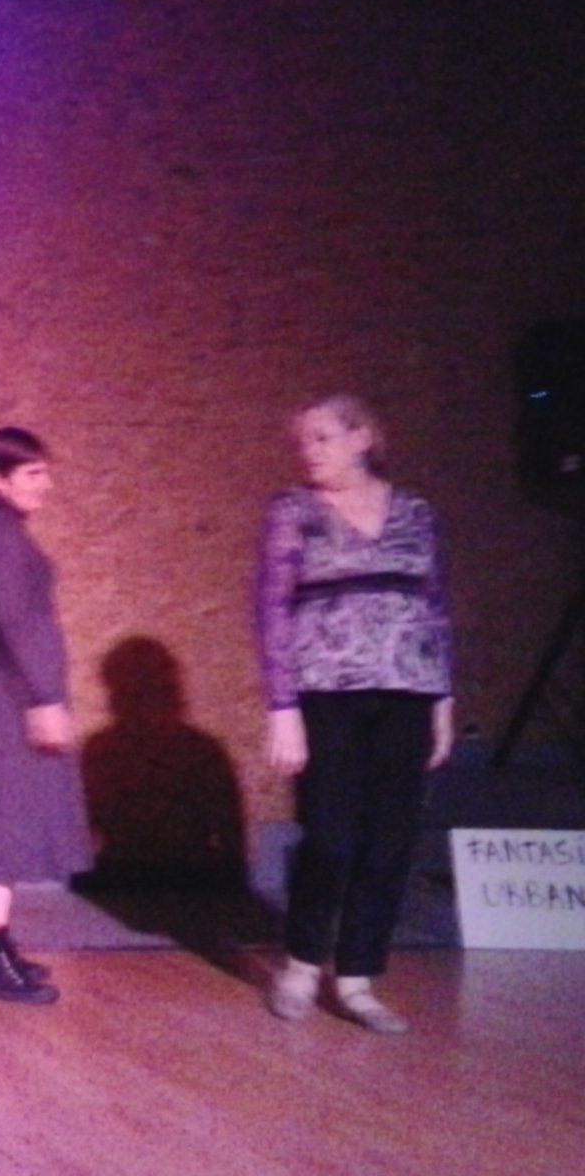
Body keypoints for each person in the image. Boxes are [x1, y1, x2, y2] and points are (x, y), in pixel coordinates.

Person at [258, 395, 454, 1035]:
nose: (308, 451)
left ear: (362, 438)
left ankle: (358, 977)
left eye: (321, 438)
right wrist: (282, 706)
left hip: (406, 690)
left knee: (389, 840)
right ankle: (302, 962)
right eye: (303, 441)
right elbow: (271, 609)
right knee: (330, 835)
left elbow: (434, 606)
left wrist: (443, 700)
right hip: (326, 693)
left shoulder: (415, 512)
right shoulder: (294, 511)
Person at [0, 427, 91, 1005]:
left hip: (20, 692)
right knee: (5, 825)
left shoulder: (5, 534)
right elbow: (12, 623)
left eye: (45, 471)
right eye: (33, 473)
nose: (46, 484)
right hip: (16, 696)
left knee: (13, 820)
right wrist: (44, 698)